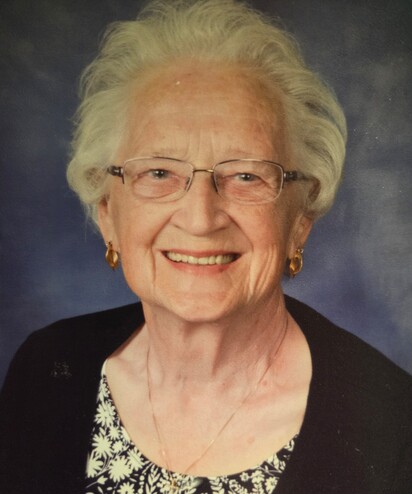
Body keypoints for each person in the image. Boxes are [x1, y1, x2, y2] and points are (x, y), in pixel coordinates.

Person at [0, 0, 410, 492]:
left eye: (245, 175)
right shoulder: (46, 368)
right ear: (107, 212)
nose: (200, 218)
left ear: (300, 219)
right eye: (158, 172)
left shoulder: (393, 433)